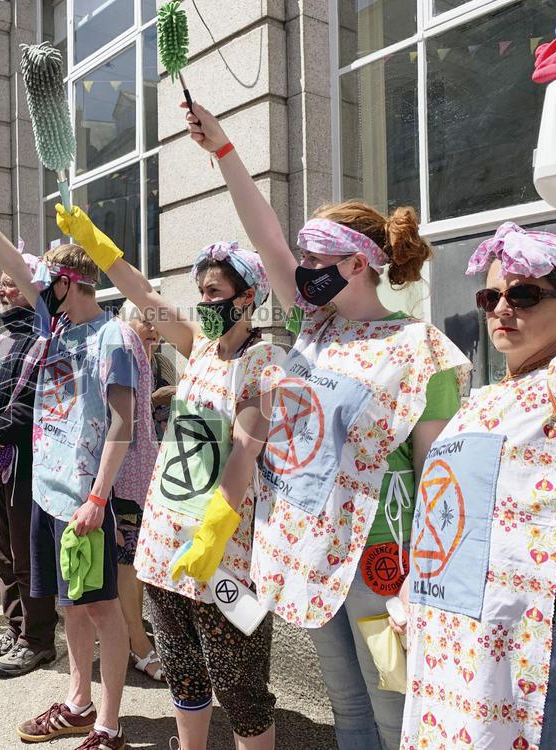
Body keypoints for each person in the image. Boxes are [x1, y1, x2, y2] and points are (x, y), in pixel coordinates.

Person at [183, 101, 470, 750]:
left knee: (399, 716)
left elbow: (443, 485)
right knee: (348, 708)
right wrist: (224, 149)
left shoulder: (420, 354)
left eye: (318, 258)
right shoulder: (312, 328)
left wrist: (429, 592)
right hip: (313, 559)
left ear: (357, 264)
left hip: (384, 570)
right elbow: (266, 242)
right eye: (304, 258)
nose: (302, 269)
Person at [396, 11, 556, 748]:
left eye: (526, 294)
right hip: (466, 651)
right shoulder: (484, 397)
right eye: (490, 295)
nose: (503, 308)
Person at [57, 203, 282, 750]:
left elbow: (245, 452)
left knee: (241, 685)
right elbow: (145, 298)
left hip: (223, 550)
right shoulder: (199, 349)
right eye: (201, 292)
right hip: (164, 544)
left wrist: (213, 534)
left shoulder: (263, 362)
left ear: (248, 297)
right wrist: (99, 246)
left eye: (215, 293)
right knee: (183, 671)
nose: (204, 303)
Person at [0, 181, 148, 750]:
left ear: (71, 284)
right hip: (45, 492)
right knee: (70, 605)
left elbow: (123, 424)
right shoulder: (53, 328)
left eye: (47, 283)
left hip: (86, 502)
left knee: (102, 608)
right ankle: (78, 702)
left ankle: (110, 725)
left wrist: (97, 497)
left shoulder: (111, 336)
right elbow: (11, 260)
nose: (33, 290)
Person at [0, 254, 60, 677]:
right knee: (1, 547)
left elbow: (33, 405)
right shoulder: (4, 337)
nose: (5, 291)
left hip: (24, 457)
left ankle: (38, 639)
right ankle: (16, 625)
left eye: (15, 283)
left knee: (27, 553)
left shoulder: (45, 334)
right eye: (2, 283)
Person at [116, 299, 172, 682]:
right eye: (144, 321)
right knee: (127, 558)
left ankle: (134, 629)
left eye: (156, 323)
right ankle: (135, 639)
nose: (152, 330)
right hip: (122, 474)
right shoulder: (118, 360)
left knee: (140, 559)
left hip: (154, 472)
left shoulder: (161, 363)